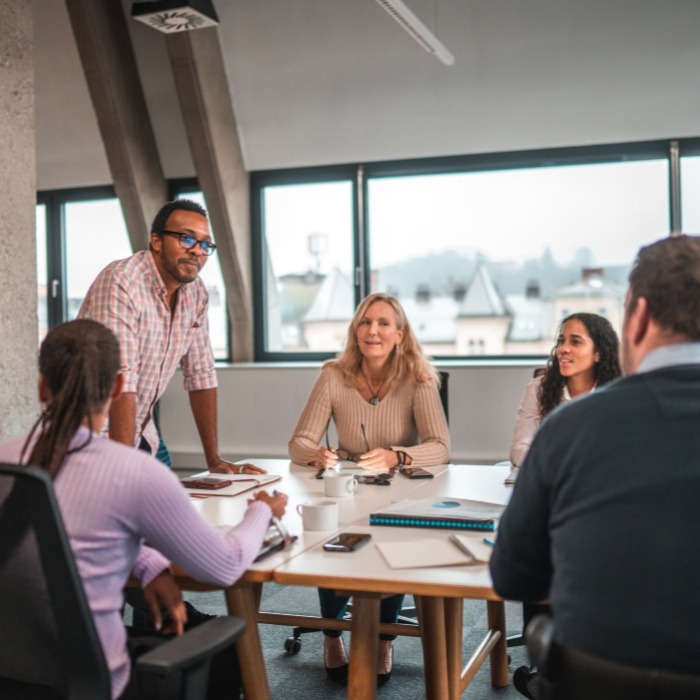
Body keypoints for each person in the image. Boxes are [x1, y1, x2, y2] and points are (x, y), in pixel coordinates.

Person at [0, 320, 287, 700]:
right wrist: (262, 512)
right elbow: (225, 565)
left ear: (41, 387)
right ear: (119, 387)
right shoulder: (134, 472)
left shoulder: (6, 460)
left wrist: (146, 562)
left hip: (13, 674)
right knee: (227, 646)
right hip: (97, 684)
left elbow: (57, 538)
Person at [490, 235, 700, 698]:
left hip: (600, 678)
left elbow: (512, 575)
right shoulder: (556, 406)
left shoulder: (570, 428)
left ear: (638, 318)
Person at [288, 292, 450, 686]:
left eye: (382, 323)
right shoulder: (332, 374)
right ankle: (331, 636)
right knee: (330, 537)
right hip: (347, 487)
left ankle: (384, 642)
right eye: (365, 322)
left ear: (400, 334)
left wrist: (397, 456)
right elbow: (298, 443)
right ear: (355, 330)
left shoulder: (419, 378)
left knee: (389, 546)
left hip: (397, 491)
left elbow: (440, 446)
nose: (372, 330)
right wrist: (319, 455)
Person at [78, 198, 263, 476]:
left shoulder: (196, 292)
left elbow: (201, 374)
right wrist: (124, 470)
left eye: (204, 245)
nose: (197, 252)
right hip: (91, 436)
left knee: (173, 505)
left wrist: (214, 459)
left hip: (141, 430)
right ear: (157, 241)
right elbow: (120, 379)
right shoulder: (122, 281)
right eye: (187, 239)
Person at [509, 312, 621, 468]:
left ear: (598, 354)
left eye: (575, 342)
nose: (563, 349)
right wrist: (554, 464)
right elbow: (520, 447)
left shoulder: (618, 393)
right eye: (561, 341)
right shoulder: (539, 388)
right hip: (551, 479)